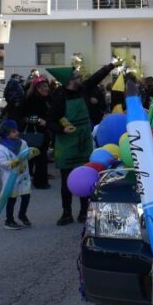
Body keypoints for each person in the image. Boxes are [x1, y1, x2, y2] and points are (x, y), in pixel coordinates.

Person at [49, 58, 119, 225]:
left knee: (85, 176)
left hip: (83, 141)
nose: (80, 78)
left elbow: (96, 77)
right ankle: (66, 213)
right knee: (66, 180)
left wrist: (111, 65)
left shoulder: (83, 89)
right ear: (69, 81)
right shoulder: (58, 96)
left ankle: (83, 211)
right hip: (66, 143)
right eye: (77, 76)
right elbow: (51, 120)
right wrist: (61, 128)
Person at [0, 120, 33, 230]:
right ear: (6, 135)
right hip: (11, 178)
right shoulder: (1, 148)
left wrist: (31, 153)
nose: (17, 132)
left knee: (26, 195)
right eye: (13, 132)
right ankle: (9, 220)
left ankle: (22, 214)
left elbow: (27, 154)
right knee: (12, 199)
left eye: (16, 130)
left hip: (24, 176)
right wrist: (13, 163)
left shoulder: (22, 143)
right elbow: (2, 163)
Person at [22, 76, 52, 189]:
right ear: (36, 88)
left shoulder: (48, 99)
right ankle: (39, 181)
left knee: (39, 157)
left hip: (44, 132)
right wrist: (38, 120)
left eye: (46, 86)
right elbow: (23, 116)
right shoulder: (31, 99)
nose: (45, 89)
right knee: (38, 157)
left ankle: (38, 179)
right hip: (34, 133)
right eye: (42, 87)